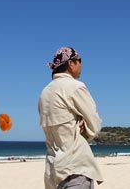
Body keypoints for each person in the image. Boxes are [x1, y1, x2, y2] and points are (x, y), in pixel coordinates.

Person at [38, 46, 103, 189]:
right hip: (75, 167)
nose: (81, 65)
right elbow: (95, 124)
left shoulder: (45, 93)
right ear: (71, 63)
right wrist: (83, 134)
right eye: (79, 61)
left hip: (52, 170)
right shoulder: (75, 86)